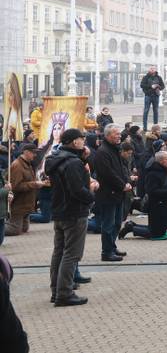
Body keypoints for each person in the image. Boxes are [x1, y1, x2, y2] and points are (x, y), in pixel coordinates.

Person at [45, 129, 96, 306]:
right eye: (82, 139)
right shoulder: (73, 163)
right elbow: (77, 189)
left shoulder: (55, 159)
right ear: (75, 142)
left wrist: (83, 158)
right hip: (74, 212)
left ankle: (56, 290)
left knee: (59, 252)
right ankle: (64, 293)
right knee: (72, 254)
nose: (84, 142)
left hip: (59, 210)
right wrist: (92, 195)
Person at [92, 124, 132, 262]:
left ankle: (112, 246)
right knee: (108, 224)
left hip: (118, 192)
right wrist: (122, 185)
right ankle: (106, 252)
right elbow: (107, 173)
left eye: (119, 134)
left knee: (117, 223)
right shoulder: (103, 152)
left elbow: (121, 169)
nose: (119, 136)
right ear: (108, 135)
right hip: (108, 193)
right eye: (116, 134)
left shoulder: (116, 149)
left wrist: (127, 182)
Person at [119, 151, 167, 240]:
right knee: (155, 233)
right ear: (161, 161)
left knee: (161, 230)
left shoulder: (163, 169)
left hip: (162, 203)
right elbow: (151, 191)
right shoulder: (153, 173)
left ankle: (132, 225)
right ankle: (130, 228)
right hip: (156, 204)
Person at [7, 143, 46, 236]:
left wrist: (38, 183)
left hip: (25, 204)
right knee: (14, 230)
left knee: (24, 229)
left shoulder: (27, 164)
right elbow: (15, 187)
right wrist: (35, 184)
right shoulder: (17, 165)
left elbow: (28, 182)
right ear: (26, 152)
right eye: (33, 153)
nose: (35, 155)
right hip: (18, 204)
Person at [139, 65, 165, 130]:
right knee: (146, 110)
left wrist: (158, 86)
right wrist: (151, 86)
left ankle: (155, 126)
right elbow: (142, 85)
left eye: (154, 68)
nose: (152, 69)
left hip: (156, 96)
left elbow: (163, 86)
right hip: (148, 95)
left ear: (156, 69)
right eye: (151, 68)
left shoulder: (158, 77)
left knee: (156, 111)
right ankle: (145, 126)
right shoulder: (146, 77)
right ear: (149, 70)